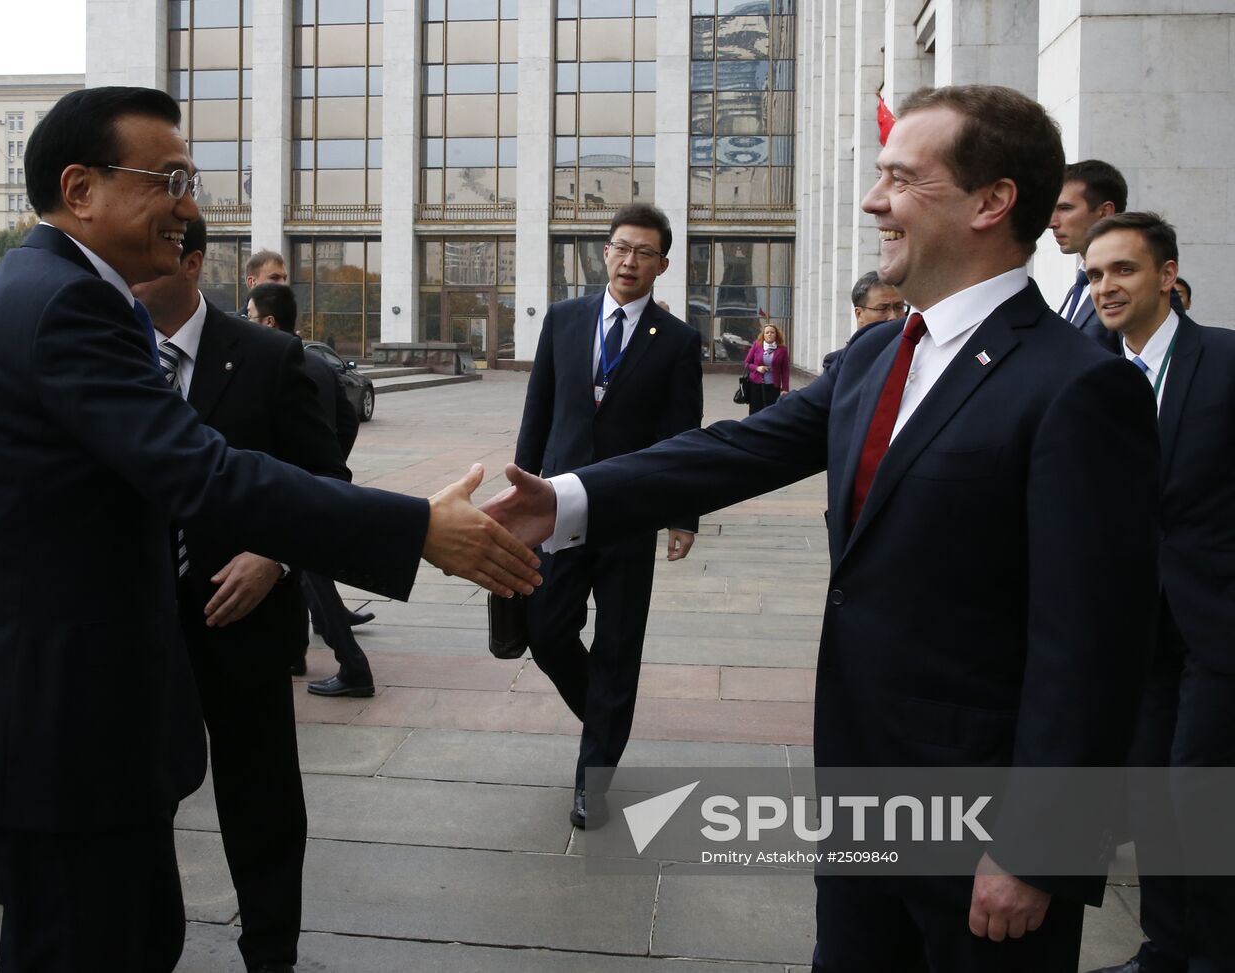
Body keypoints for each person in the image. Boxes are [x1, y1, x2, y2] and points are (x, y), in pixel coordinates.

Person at [484, 85, 1160, 971]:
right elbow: (731, 451)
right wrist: (564, 500)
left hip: (983, 838)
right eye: (878, 176)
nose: (874, 201)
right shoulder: (881, 351)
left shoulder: (1078, 386)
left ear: (992, 202)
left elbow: (1095, 645)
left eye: (901, 179)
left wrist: (1038, 848)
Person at [0, 85, 540, 973]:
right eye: (170, 177)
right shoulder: (68, 304)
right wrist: (418, 526)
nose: (191, 204)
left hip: (71, 734)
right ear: (82, 189)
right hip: (65, 746)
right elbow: (202, 471)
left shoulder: (30, 288)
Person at [132, 217, 333, 973]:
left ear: (191, 262)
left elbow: (326, 486)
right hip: (136, 627)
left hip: (242, 623)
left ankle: (270, 951)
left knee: (261, 798)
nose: (124, 275)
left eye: (143, 260)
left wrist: (275, 554)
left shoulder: (268, 356)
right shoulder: (105, 353)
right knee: (138, 798)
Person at [514, 202, 703, 830]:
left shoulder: (677, 341)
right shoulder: (564, 321)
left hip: (629, 512)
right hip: (560, 509)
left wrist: (684, 515)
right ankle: (606, 717)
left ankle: (593, 779)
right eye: (621, 248)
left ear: (662, 265)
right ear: (605, 252)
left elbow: (684, 434)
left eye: (644, 252)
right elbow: (537, 413)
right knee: (545, 632)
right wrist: (519, 496)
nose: (630, 261)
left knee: (620, 647)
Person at [1081, 213, 1235, 973]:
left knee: (1199, 792)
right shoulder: (1088, 372)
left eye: (1123, 271)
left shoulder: (1227, 360)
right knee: (1149, 794)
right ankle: (1164, 947)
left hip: (1217, 623)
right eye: (1095, 275)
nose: (1106, 287)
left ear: (1168, 276)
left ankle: (1212, 951)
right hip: (1131, 628)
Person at [247, 282, 378, 697]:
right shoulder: (319, 363)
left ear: (269, 321)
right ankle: (300, 649)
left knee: (308, 572)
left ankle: (353, 667)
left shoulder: (268, 366)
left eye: (249, 317)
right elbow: (348, 420)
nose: (247, 325)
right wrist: (331, 464)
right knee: (305, 571)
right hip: (318, 482)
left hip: (291, 486)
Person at [1048, 159, 1127, 352]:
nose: (1052, 223)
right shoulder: (1080, 285)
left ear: (1104, 212)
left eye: (1065, 208)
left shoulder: (1140, 282)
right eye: (1051, 209)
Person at [822, 271, 905, 370]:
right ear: (859, 314)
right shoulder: (838, 364)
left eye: (899, 307)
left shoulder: (916, 355)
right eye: (882, 308)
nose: (893, 317)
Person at [743, 318, 789, 413]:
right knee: (755, 411)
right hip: (756, 385)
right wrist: (757, 368)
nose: (769, 334)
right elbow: (746, 363)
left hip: (773, 386)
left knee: (771, 412)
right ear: (763, 335)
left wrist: (785, 388)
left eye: (772, 332)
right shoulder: (756, 345)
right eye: (767, 332)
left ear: (776, 335)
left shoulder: (782, 349)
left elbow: (785, 370)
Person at [237, 248, 288, 315]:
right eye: (274, 278)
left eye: (284, 278)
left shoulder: (284, 320)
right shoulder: (236, 324)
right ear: (252, 282)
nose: (283, 284)